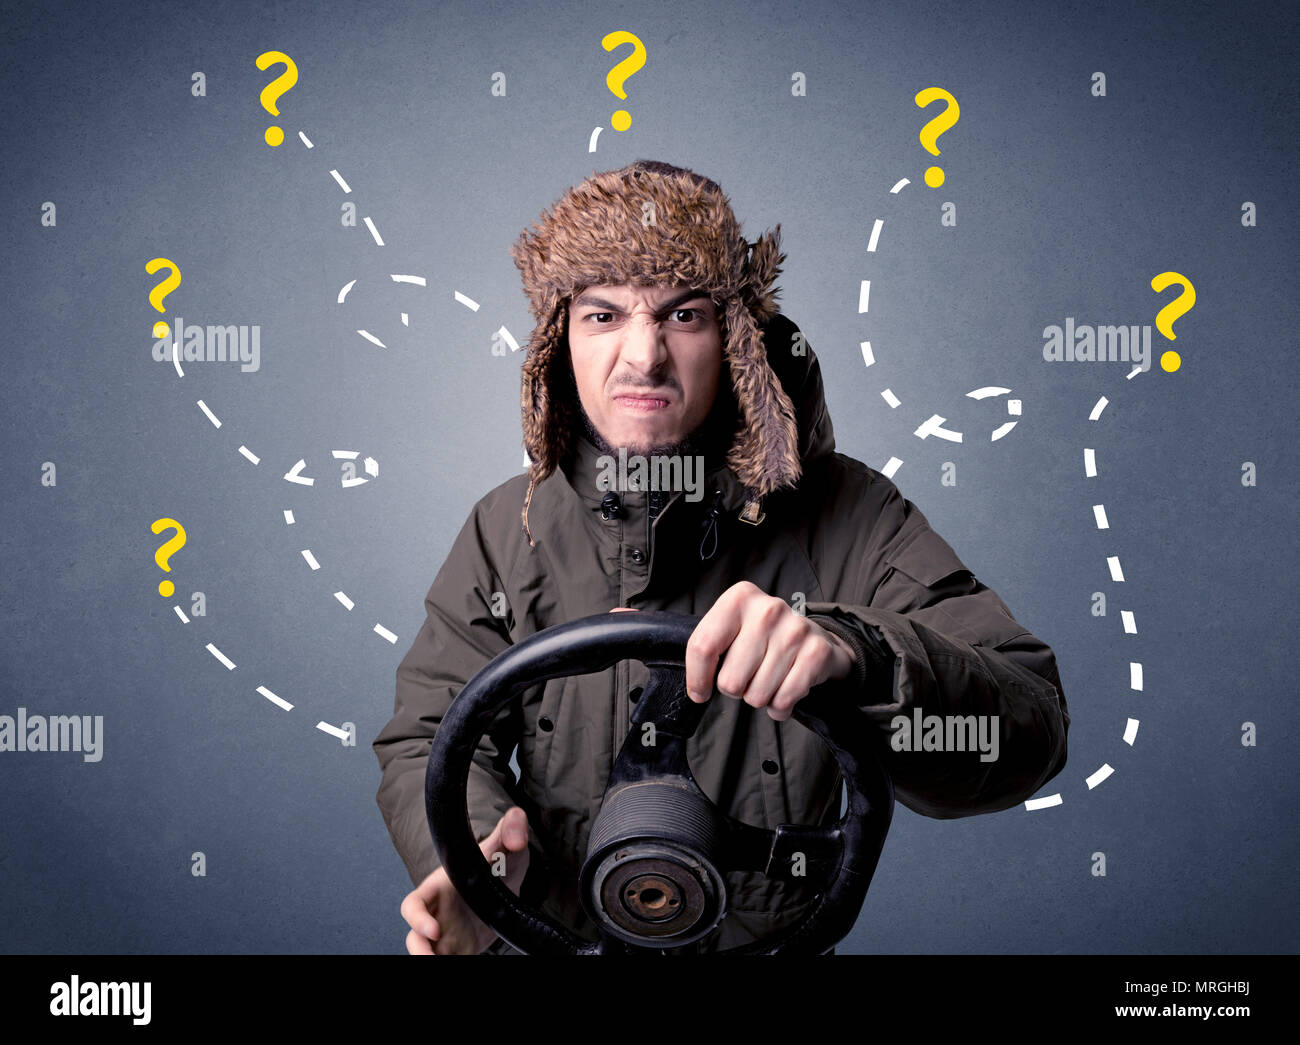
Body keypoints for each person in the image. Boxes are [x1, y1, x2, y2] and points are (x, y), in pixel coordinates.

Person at [372, 159, 1070, 955]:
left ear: (735, 337)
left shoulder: (851, 516)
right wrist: (481, 863)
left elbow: (1028, 725)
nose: (643, 357)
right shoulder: (507, 529)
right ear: (557, 340)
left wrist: (861, 654)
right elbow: (430, 733)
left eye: (684, 314)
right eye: (603, 316)